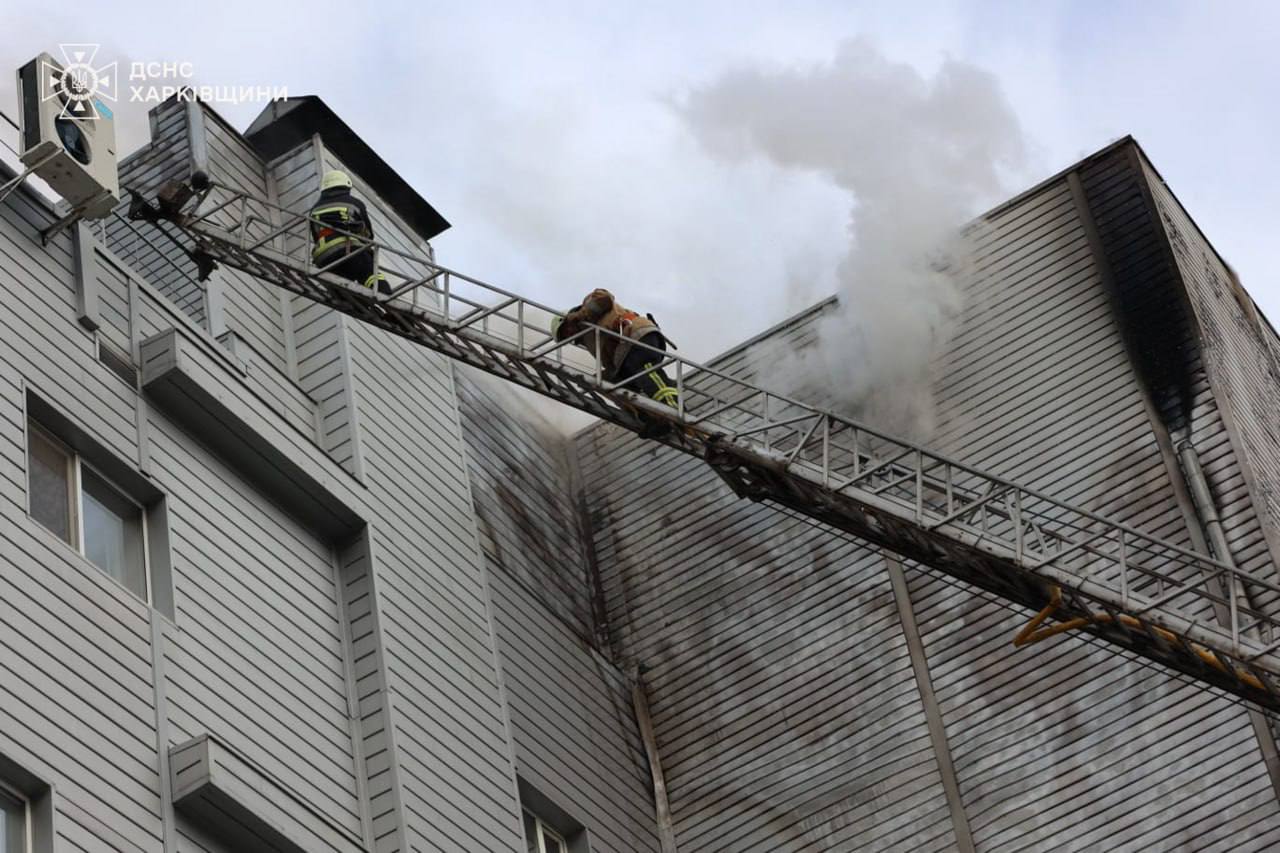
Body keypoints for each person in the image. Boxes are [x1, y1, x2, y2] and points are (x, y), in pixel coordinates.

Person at [552, 289, 679, 434]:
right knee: (602, 381)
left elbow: (605, 298)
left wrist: (580, 315)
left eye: (565, 329)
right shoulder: (588, 338)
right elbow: (609, 362)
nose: (568, 334)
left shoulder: (586, 309)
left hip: (635, 337)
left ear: (567, 319)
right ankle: (649, 418)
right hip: (623, 355)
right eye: (564, 337)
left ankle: (673, 412)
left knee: (647, 373)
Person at [307, 170, 390, 295]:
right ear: (346, 186)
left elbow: (315, 236)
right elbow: (368, 235)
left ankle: (344, 296)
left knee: (342, 282)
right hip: (347, 250)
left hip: (323, 257)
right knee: (368, 272)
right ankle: (386, 296)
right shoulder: (354, 203)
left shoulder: (314, 210)